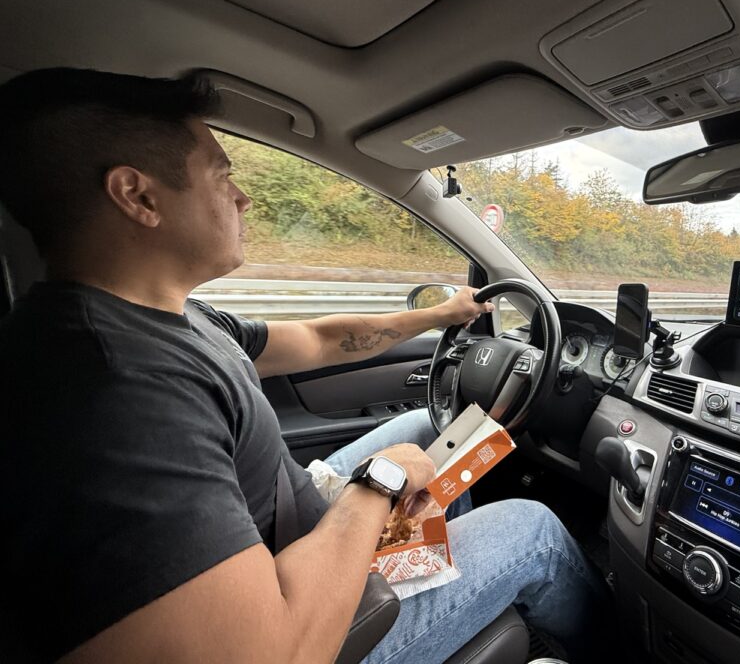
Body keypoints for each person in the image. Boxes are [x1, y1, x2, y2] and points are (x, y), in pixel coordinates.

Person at [0, 69, 609, 663]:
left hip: (289, 525)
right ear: (139, 196)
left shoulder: (165, 314)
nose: (243, 197)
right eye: (221, 176)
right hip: (314, 619)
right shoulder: (116, 389)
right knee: (532, 530)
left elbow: (319, 340)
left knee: (433, 428)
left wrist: (440, 314)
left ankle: (441, 573)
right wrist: (378, 487)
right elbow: (267, 650)